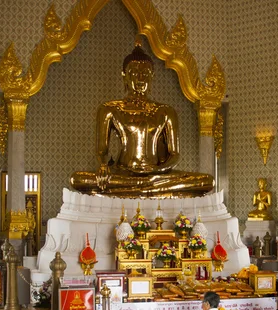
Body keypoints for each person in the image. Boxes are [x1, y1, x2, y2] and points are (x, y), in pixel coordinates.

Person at [70, 39, 214, 197]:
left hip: (156, 175)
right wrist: (103, 166)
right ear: (124, 75)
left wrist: (156, 170)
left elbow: (174, 155)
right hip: (122, 173)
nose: (140, 78)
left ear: (152, 76)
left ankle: (139, 189)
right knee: (77, 179)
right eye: (134, 73)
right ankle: (147, 190)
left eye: (145, 73)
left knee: (206, 181)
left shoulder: (165, 111)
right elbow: (101, 150)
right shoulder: (109, 109)